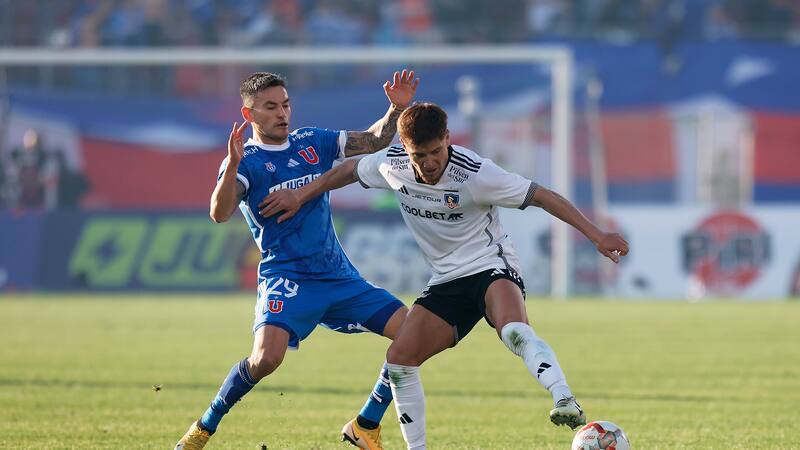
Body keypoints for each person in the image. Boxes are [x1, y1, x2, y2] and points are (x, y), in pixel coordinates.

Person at [261, 102, 630, 449]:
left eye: (436, 151)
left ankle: (564, 397)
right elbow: (348, 170)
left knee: (514, 331)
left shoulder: (476, 173)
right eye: (419, 155)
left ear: (448, 139)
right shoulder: (393, 164)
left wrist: (597, 235)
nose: (429, 162)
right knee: (400, 358)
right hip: (445, 282)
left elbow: (541, 195)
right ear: (405, 149)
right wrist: (301, 195)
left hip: (491, 266)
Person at [175, 70, 420, 450]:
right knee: (265, 360)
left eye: (285, 104)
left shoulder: (311, 141)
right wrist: (232, 166)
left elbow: (372, 141)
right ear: (249, 114)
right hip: (287, 278)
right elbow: (219, 213)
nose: (282, 113)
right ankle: (204, 427)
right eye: (270, 107)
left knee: (413, 333)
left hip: (338, 277)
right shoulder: (248, 161)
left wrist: (395, 109)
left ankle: (366, 423)